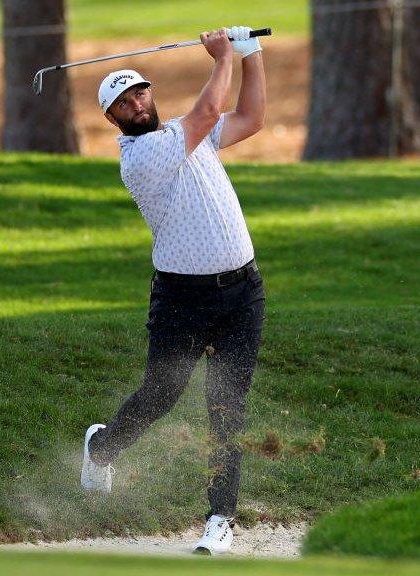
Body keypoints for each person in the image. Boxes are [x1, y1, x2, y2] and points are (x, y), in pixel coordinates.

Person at [80, 26, 266, 556]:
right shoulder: (138, 159)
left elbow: (252, 119)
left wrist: (251, 57)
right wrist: (223, 56)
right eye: (122, 102)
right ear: (111, 119)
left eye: (139, 91)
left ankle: (219, 516)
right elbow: (208, 112)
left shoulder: (191, 134)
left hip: (243, 293)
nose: (135, 103)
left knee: (226, 403)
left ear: (150, 94)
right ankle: (103, 447)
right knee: (162, 394)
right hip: (182, 299)